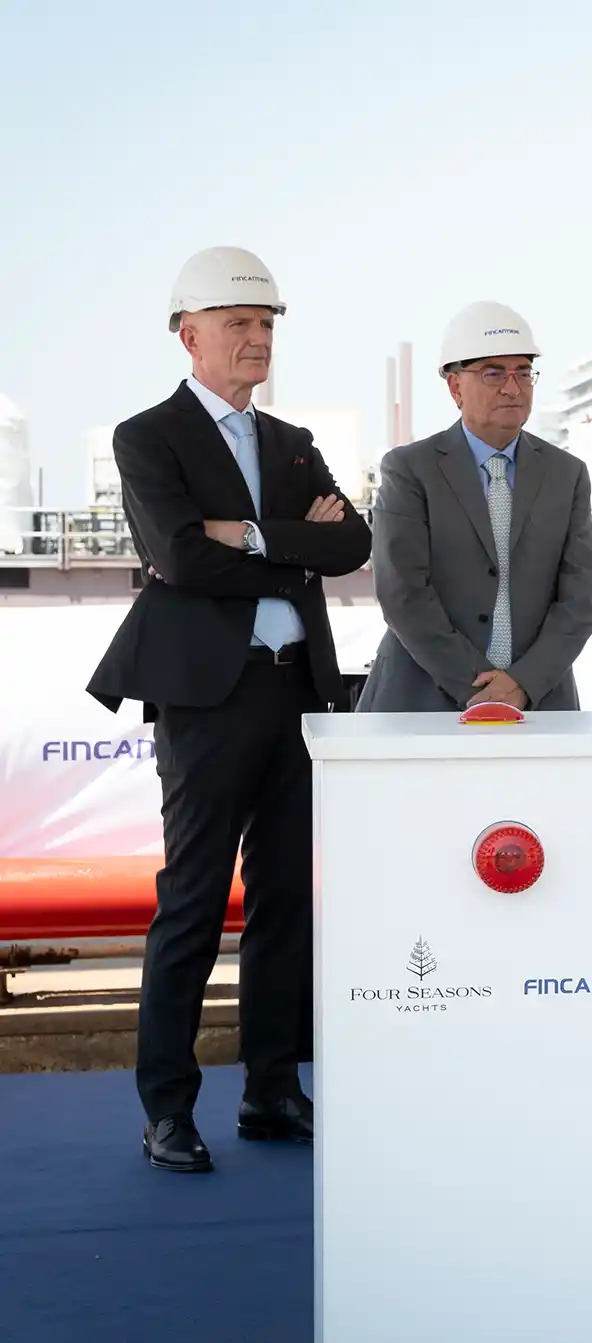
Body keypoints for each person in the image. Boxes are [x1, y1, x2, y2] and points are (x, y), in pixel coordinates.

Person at [87, 246, 371, 1172]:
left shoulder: (288, 439)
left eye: (267, 325)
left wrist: (246, 534)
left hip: (300, 690)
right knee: (195, 901)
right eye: (240, 324)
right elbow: (179, 558)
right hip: (208, 700)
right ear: (190, 334)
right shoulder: (149, 435)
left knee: (289, 899)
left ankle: (272, 1091)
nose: (258, 339)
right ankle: (167, 1108)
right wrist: (293, 543)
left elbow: (353, 545)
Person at [359, 302, 592, 712]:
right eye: (493, 373)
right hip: (422, 700)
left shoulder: (567, 474)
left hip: (538, 701)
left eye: (524, 372)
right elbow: (403, 592)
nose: (513, 387)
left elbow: (578, 599)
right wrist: (482, 691)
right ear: (454, 387)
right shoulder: (410, 469)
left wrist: (523, 683)